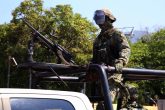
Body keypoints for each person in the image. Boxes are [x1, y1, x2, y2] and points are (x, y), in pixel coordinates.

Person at [92, 8, 131, 109]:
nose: (99, 23)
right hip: (101, 74)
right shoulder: (98, 39)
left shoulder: (116, 34)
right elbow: (95, 58)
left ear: (109, 19)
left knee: (106, 102)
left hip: (113, 74)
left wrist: (121, 61)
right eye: (97, 20)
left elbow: (125, 48)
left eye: (101, 19)